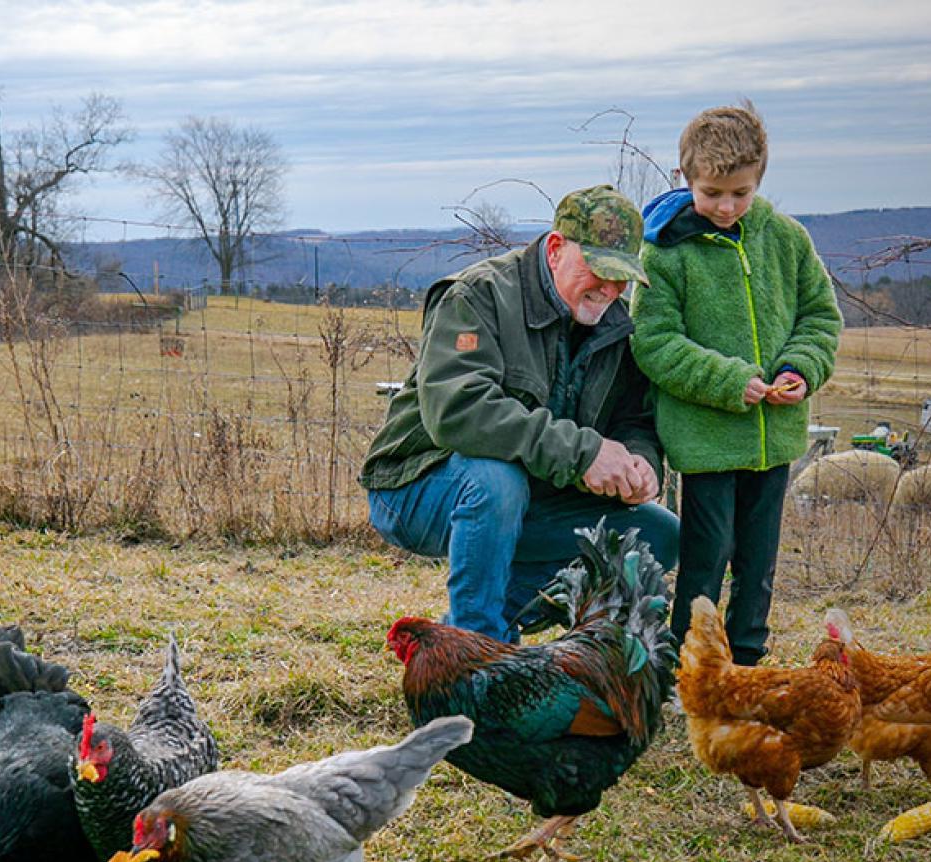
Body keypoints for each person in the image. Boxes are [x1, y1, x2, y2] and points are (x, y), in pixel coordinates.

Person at [359, 185, 678, 643]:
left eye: (622, 277)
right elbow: (459, 411)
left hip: (529, 495)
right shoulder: (478, 297)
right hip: (416, 484)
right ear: (555, 249)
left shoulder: (616, 324)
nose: (610, 290)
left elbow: (634, 420)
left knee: (658, 534)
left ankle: (490, 627)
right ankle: (478, 654)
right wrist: (586, 454)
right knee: (495, 480)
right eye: (598, 272)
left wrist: (639, 463)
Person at [631, 103, 842, 665]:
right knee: (707, 555)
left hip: (773, 436)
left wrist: (799, 369)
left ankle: (746, 663)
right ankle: (686, 666)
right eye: (712, 193)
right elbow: (652, 340)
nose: (726, 207)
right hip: (705, 439)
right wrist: (731, 380)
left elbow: (820, 318)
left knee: (758, 558)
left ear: (760, 181)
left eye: (740, 194)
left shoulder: (787, 239)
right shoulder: (665, 251)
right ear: (686, 180)